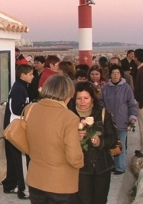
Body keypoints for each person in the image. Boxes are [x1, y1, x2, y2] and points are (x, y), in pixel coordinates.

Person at [26, 74, 84, 203]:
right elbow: (74, 156)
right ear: (68, 94)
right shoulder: (69, 118)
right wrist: (80, 163)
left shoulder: (30, 109)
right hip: (60, 183)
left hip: (35, 178)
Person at [69, 82, 118, 204]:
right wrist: (74, 138)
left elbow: (113, 139)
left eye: (86, 98)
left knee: (100, 200)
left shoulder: (102, 114)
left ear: (92, 99)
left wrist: (100, 142)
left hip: (102, 166)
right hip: (81, 168)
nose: (82, 102)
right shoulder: (69, 116)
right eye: (79, 98)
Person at [2, 64, 33, 200]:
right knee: (21, 160)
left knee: (14, 160)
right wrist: (31, 106)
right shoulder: (18, 88)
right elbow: (16, 108)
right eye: (30, 74)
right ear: (23, 75)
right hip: (15, 129)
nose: (32, 76)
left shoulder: (20, 87)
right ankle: (23, 189)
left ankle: (10, 184)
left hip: (13, 127)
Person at [100, 64, 137, 175]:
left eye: (117, 73)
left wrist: (132, 116)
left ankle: (120, 167)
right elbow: (101, 101)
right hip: (109, 121)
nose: (115, 75)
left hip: (122, 120)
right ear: (110, 75)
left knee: (120, 144)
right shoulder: (106, 88)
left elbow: (131, 103)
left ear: (121, 74)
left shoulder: (126, 88)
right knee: (110, 143)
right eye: (113, 73)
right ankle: (112, 165)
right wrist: (104, 112)